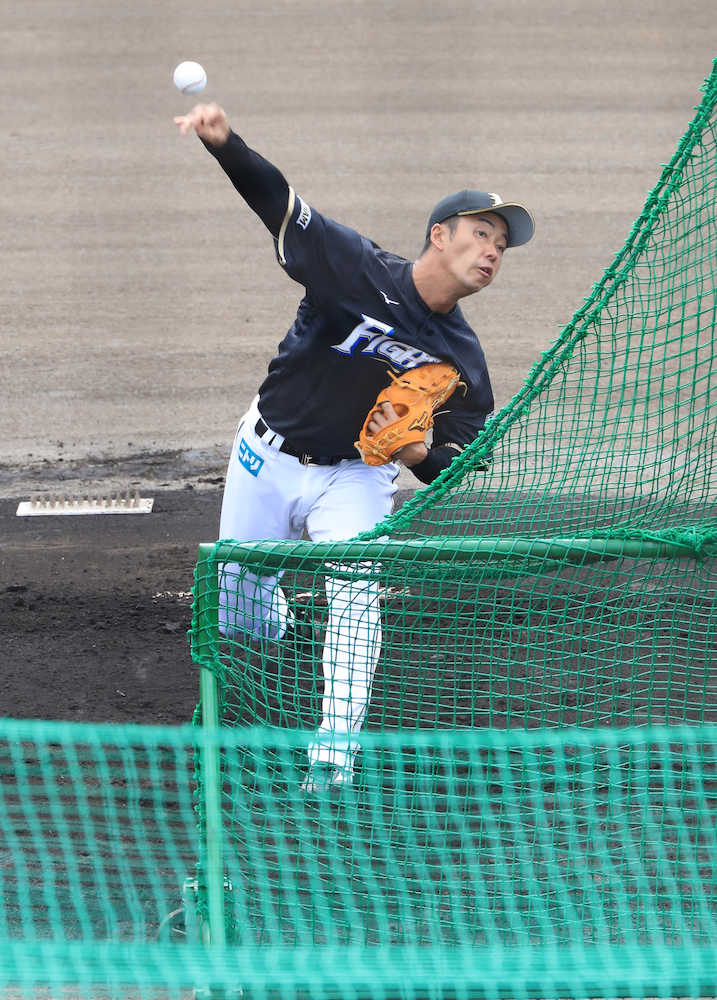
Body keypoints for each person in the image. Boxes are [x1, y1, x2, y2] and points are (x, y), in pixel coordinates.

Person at [174, 103, 535, 791]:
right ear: (440, 234)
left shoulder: (462, 359)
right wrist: (225, 145)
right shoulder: (354, 267)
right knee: (240, 617)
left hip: (357, 478)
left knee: (357, 593)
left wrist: (414, 454)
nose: (492, 251)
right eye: (482, 234)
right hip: (268, 454)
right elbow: (278, 202)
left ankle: (331, 762)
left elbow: (459, 466)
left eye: (500, 246)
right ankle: (276, 615)